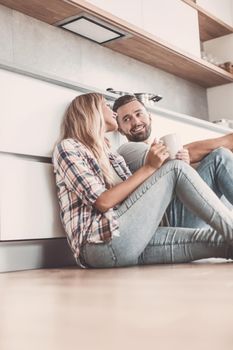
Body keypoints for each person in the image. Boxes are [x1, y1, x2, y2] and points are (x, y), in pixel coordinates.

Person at [53, 93, 233, 269]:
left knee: (219, 241)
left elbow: (136, 199)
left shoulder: (113, 157)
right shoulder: (69, 147)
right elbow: (102, 201)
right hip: (101, 244)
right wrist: (151, 168)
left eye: (139, 114)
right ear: (92, 111)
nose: (112, 111)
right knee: (175, 168)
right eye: (106, 106)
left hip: (134, 238)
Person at [113, 94, 233, 229]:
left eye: (139, 114)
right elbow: (167, 158)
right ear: (121, 130)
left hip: (181, 209)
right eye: (127, 119)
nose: (136, 122)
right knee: (220, 157)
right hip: (170, 218)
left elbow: (175, 173)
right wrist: (227, 141)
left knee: (222, 158)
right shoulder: (127, 150)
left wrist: (186, 165)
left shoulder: (154, 146)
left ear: (150, 117)